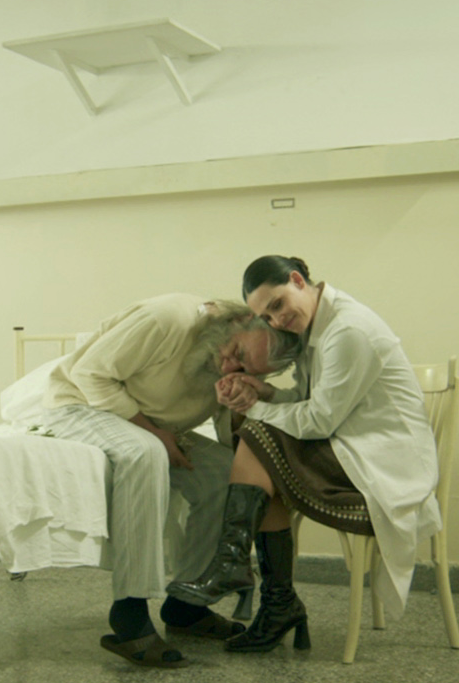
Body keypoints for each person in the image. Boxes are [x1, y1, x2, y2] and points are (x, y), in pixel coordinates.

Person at [167, 256, 440, 653]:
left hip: (385, 462)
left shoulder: (348, 330)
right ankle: (267, 594)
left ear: (298, 280)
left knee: (258, 435)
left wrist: (255, 409)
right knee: (264, 457)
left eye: (277, 304)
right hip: (351, 446)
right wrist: (263, 392)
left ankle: (243, 572)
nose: (277, 320)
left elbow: (320, 420)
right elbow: (308, 401)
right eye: (266, 316)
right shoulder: (317, 327)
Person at [41, 293, 300, 668]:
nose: (230, 366)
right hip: (78, 404)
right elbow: (89, 375)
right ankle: (129, 614)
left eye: (246, 369)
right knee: (144, 453)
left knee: (224, 472)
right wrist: (154, 434)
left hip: (150, 425)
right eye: (237, 353)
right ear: (240, 321)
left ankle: (186, 607)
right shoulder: (166, 319)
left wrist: (238, 403)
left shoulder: (229, 364)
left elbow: (227, 437)